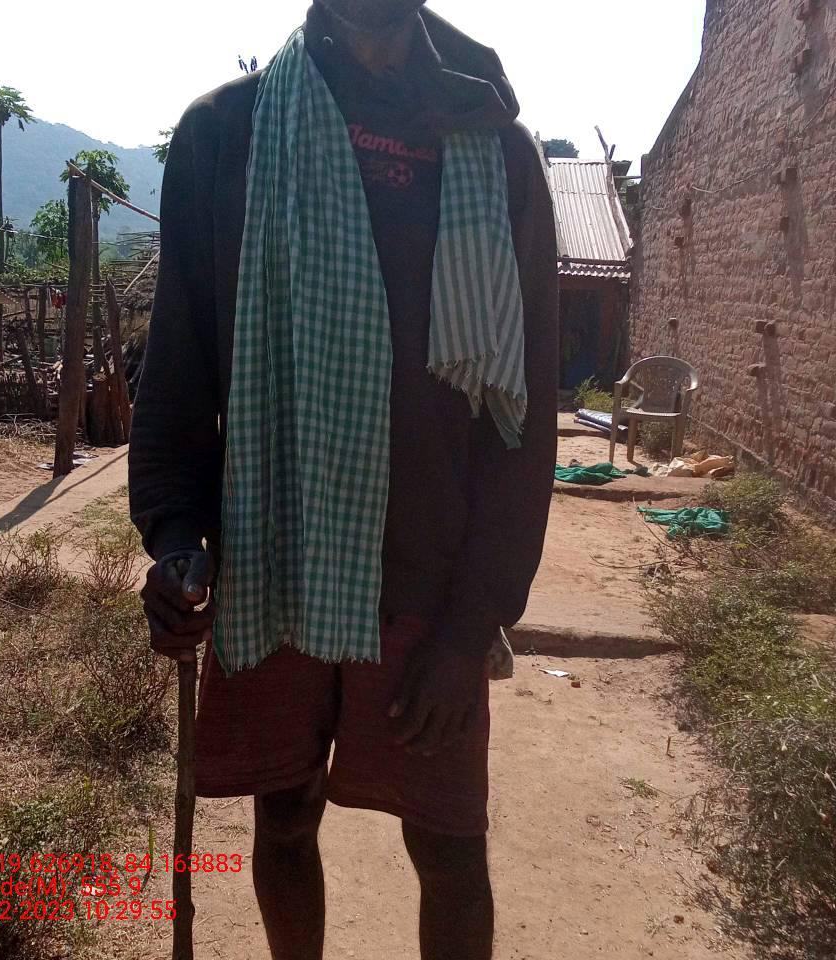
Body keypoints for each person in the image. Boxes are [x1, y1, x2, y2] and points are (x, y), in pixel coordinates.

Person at [128, 1, 558, 957]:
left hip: (428, 580)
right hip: (277, 555)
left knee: (448, 844)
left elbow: (523, 422)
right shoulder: (228, 134)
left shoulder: (492, 147)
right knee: (284, 816)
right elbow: (181, 367)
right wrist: (176, 540)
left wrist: (472, 628)